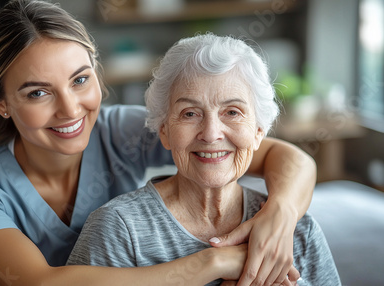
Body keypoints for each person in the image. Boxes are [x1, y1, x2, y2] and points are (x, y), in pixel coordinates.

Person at [0, 1, 317, 285]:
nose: (71, 110)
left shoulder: (119, 129)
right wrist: (214, 262)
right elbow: (42, 284)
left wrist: (280, 213)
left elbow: (287, 158)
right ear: (1, 102)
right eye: (39, 93)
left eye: (79, 80)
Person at [67, 33, 341, 285]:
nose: (211, 134)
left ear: (259, 132)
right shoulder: (117, 229)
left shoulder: (296, 230)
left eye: (232, 112)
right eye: (190, 113)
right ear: (164, 132)